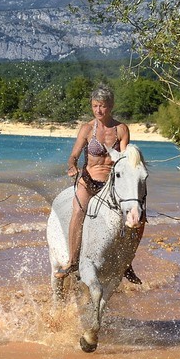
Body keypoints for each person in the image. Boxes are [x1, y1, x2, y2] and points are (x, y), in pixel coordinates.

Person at [59, 85, 143, 285]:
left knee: (138, 219)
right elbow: (74, 155)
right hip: (89, 181)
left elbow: (123, 159)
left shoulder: (121, 129)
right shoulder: (87, 129)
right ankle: (72, 260)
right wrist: (72, 166)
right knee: (78, 212)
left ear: (111, 106)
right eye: (95, 106)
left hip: (112, 185)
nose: (98, 110)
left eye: (103, 106)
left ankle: (127, 263)